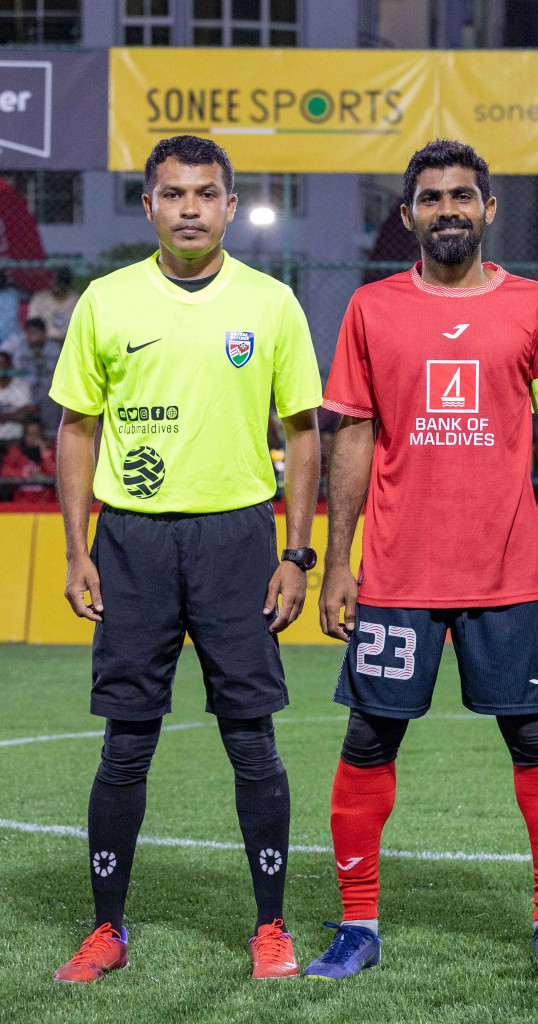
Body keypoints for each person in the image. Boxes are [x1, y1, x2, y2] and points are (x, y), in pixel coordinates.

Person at [305, 140, 538, 982]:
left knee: (535, 736)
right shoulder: (372, 309)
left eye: (463, 195)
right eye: (430, 199)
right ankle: (358, 925)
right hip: (396, 571)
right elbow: (352, 435)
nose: (448, 210)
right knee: (368, 740)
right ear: (408, 216)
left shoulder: (536, 306)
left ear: (489, 207)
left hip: (505, 569)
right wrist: (337, 562)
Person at [47, 135, 322, 983]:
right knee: (126, 745)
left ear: (232, 206)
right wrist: (75, 548)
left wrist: (296, 553)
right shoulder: (106, 300)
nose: (191, 208)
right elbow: (77, 428)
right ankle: (107, 930)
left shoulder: (272, 303)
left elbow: (304, 433)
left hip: (237, 540)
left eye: (207, 194)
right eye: (173, 195)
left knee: (252, 740)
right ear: (150, 207)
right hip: (130, 542)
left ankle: (269, 928)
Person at [1, 416, 56, 502]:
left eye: (36, 435)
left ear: (42, 435)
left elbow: (55, 473)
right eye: (30, 435)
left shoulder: (50, 452)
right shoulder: (15, 451)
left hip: (46, 502)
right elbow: (4, 471)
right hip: (21, 502)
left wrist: (45, 452)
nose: (33, 438)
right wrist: (24, 473)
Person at [28, 267, 79, 344]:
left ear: (67, 282)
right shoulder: (40, 298)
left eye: (61, 280)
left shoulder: (77, 300)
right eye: (54, 280)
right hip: (43, 344)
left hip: (70, 342)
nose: (57, 283)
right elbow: (33, 326)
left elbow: (81, 328)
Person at [0, 350, 34, 444]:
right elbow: (20, 413)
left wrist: (4, 416)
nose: (1, 367)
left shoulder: (22, 385)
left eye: (4, 364)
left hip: (17, 440)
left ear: (10, 366)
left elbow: (25, 415)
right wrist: (14, 414)